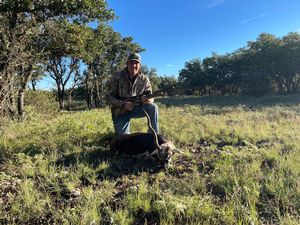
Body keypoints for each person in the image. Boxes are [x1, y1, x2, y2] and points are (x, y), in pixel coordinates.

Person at [106, 52, 159, 136]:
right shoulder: (117, 76)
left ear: (140, 65)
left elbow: (151, 97)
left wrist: (148, 100)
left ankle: (153, 137)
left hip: (136, 109)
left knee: (153, 107)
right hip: (120, 111)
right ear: (127, 63)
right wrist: (123, 104)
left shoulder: (144, 79)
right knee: (124, 139)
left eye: (136, 63)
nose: (134, 65)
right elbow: (109, 97)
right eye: (131, 62)